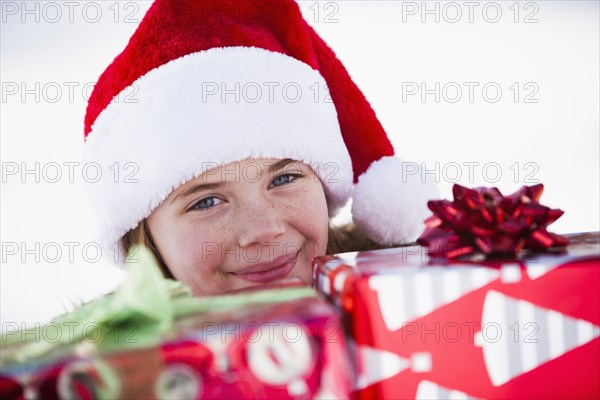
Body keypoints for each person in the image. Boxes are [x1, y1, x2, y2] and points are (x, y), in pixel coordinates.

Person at [82, 0, 437, 296]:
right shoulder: (97, 373)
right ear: (144, 242)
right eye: (206, 201)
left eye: (283, 179)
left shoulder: (422, 290)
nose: (264, 229)